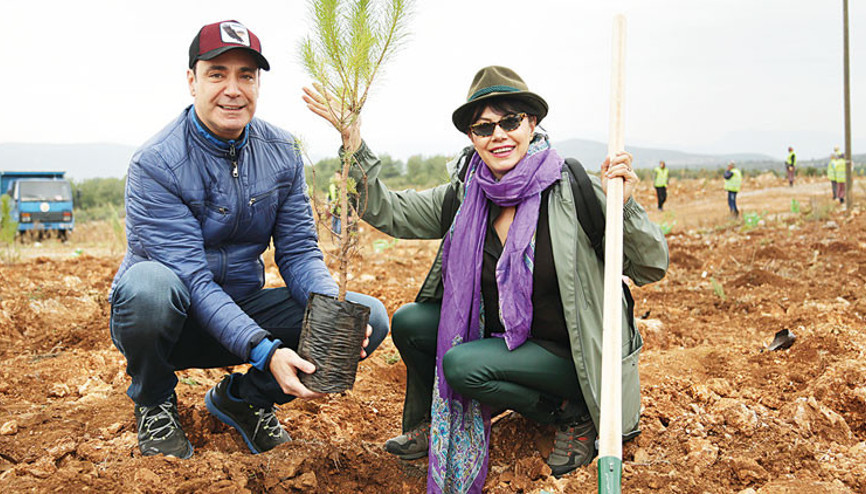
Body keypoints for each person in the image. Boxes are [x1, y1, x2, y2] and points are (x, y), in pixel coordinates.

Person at [304, 65, 669, 489]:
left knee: (462, 365)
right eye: (483, 127)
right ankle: (433, 420)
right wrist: (353, 142)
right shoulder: (467, 193)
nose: (498, 135)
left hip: (577, 357)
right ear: (472, 138)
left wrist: (625, 203)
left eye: (511, 121)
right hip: (509, 342)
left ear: (532, 124)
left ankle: (571, 411)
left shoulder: (574, 188)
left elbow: (650, 265)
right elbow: (389, 211)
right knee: (409, 322)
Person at [109, 20, 389, 460]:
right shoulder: (156, 164)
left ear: (259, 83)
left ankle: (243, 400)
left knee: (363, 315)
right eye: (217, 74)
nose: (233, 89)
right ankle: (156, 403)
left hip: (241, 308)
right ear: (192, 81)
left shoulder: (281, 151)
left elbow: (298, 252)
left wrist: (330, 312)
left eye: (247, 75)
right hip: (173, 323)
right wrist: (265, 350)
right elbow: (194, 280)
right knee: (148, 288)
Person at [327, 170, 342, 238]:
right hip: (334, 211)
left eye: (338, 176)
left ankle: (340, 244)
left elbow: (349, 201)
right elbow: (329, 197)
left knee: (340, 229)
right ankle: (337, 244)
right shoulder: (332, 186)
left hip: (342, 212)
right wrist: (328, 206)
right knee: (334, 228)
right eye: (335, 176)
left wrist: (349, 214)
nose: (336, 178)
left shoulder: (344, 187)